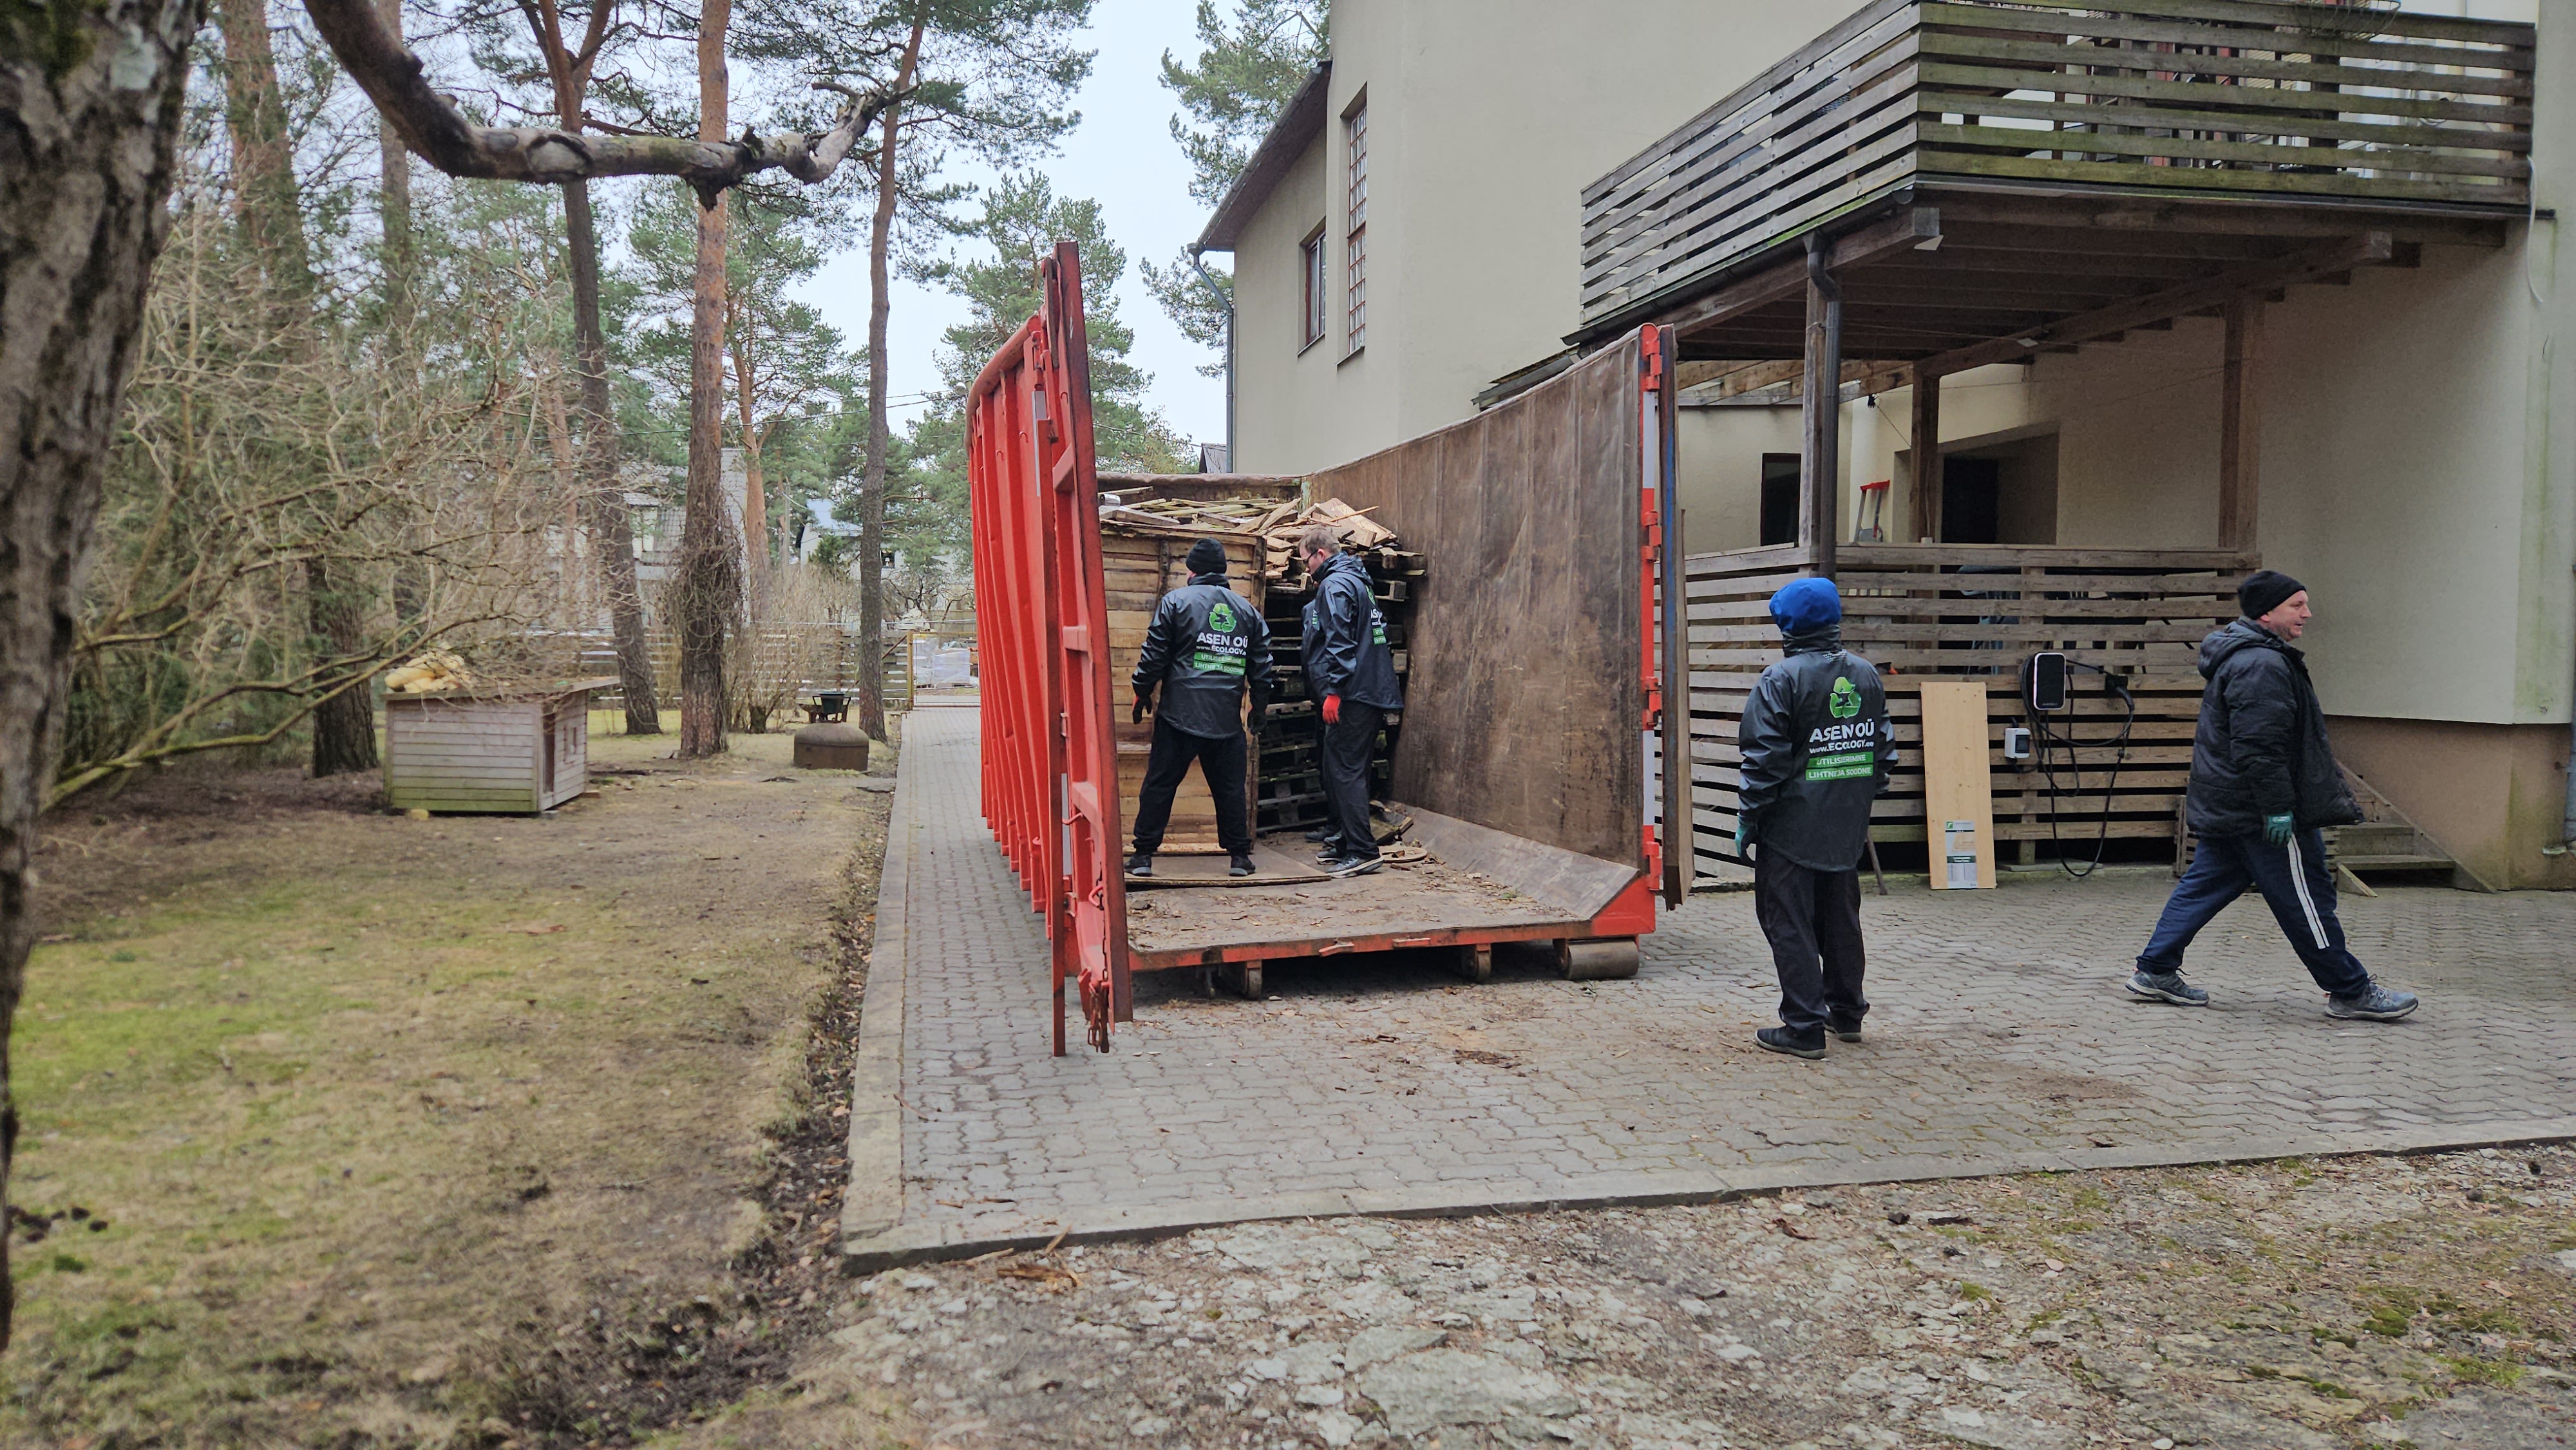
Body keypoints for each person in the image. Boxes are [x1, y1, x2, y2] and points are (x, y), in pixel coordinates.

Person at [2128, 571, 2420, 1020]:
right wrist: (2279, 809)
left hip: (2233, 806)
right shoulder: (2260, 665)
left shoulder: (2249, 656)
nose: (2308, 614)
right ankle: (2350, 990)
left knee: (2203, 887)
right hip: (2261, 814)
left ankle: (2155, 970)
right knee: (2307, 899)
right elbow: (2260, 748)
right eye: (2297, 605)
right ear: (2267, 613)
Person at [1735, 577, 1896, 1060]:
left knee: (1788, 922)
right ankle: (1846, 1013)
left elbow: (1765, 761)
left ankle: (1803, 1026)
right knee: (1840, 919)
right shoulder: (1866, 675)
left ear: (1788, 627)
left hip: (1791, 828)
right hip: (1846, 826)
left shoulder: (1780, 680)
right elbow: (1881, 753)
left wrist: (1749, 819)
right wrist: (1856, 801)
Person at [1126, 538, 1273, 879]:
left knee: (1160, 785)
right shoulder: (1247, 612)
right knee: (1230, 789)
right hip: (1225, 720)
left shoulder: (1175, 602)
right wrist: (1259, 707)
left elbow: (1154, 656)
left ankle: (1143, 856)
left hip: (1179, 716)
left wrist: (1141, 691)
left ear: (1191, 570)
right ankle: (1240, 858)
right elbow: (1262, 667)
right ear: (1222, 572)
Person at [1298, 523, 1405, 878]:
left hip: (1353, 694)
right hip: (1369, 690)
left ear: (1320, 555)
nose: (1307, 569)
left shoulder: (1335, 585)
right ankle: (1346, 841)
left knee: (1345, 771)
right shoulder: (1360, 582)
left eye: (1306, 562)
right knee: (1345, 768)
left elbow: (1340, 642)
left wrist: (1334, 692)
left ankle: (1363, 851)